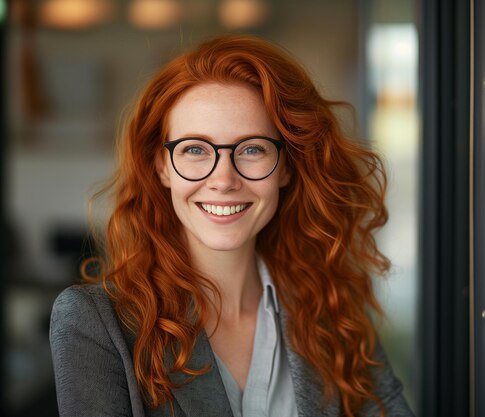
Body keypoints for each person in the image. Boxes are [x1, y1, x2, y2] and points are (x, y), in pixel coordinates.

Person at [49, 35, 414, 417]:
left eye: (252, 148)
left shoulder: (333, 305)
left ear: (286, 166)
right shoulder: (95, 323)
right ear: (162, 166)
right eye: (194, 149)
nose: (224, 179)